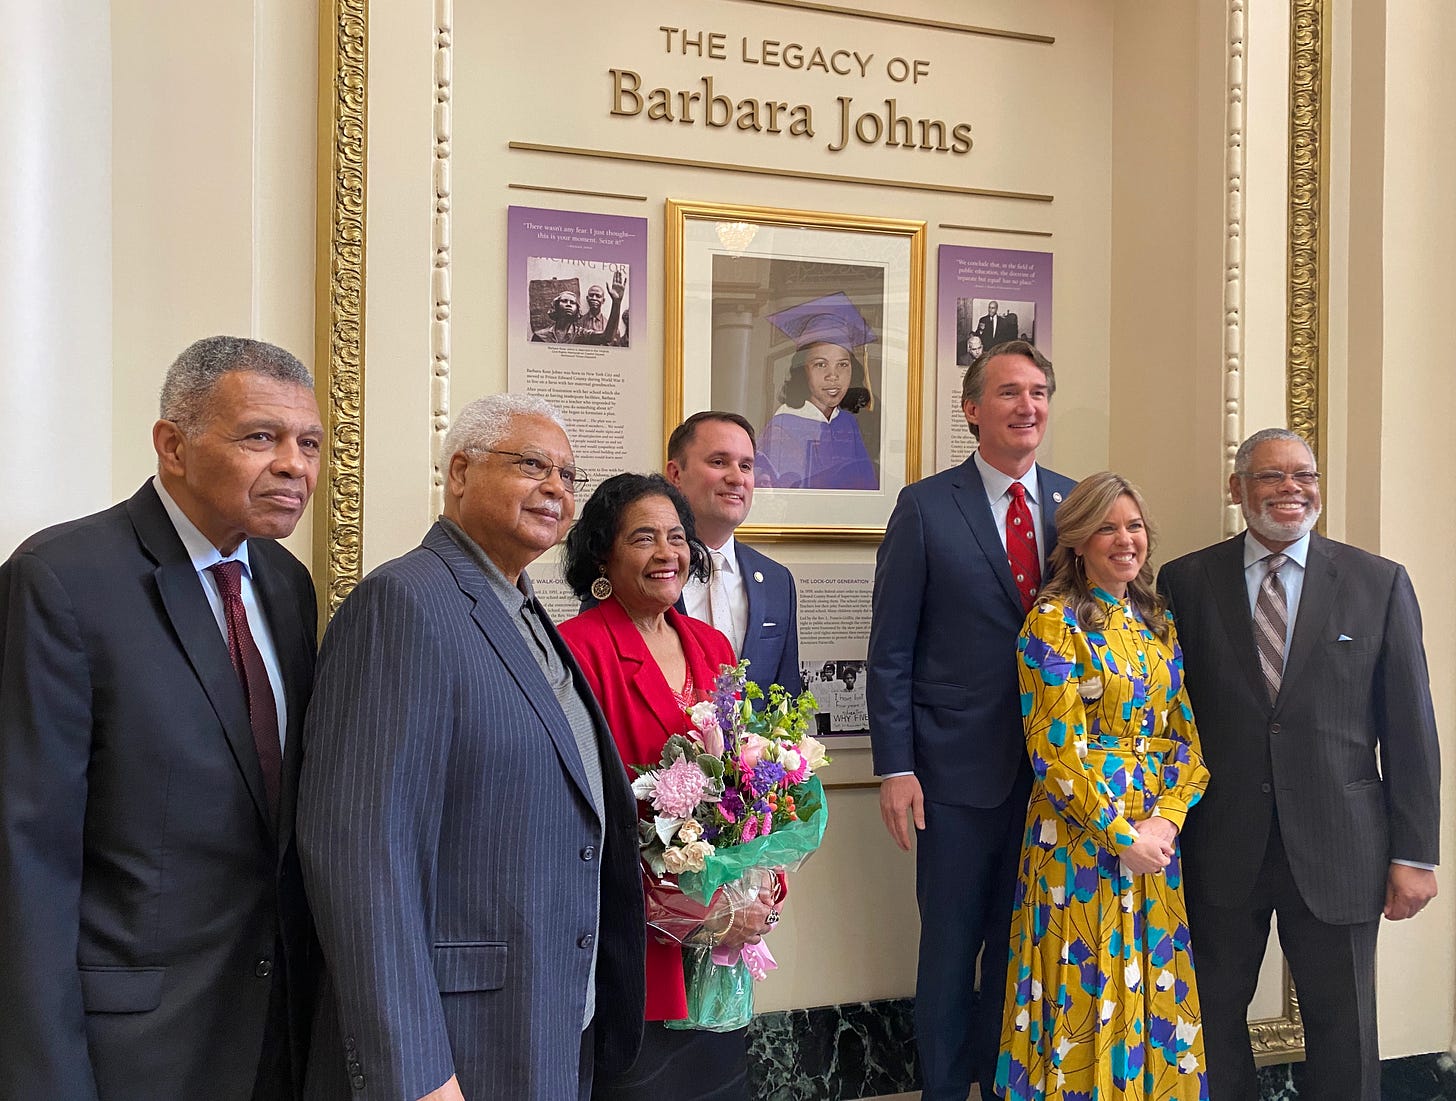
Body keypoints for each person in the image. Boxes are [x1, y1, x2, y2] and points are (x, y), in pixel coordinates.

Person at [296, 394, 645, 1101]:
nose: (557, 487)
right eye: (532, 465)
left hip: (550, 1022)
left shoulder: (524, 609)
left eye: (569, 475)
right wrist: (415, 1071)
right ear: (460, 472)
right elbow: (362, 854)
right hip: (460, 1044)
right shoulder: (404, 603)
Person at [0, 335, 322, 1099]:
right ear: (173, 446)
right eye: (260, 437)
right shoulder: (62, 581)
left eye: (308, 442)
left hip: (278, 1034)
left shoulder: (286, 584)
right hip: (132, 1049)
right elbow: (27, 857)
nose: (294, 465)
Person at [1158, 427, 1441, 1101]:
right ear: (1237, 489)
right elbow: (1166, 717)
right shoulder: (1187, 581)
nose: (1292, 489)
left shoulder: (1378, 582)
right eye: (1271, 476)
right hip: (1219, 841)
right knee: (1209, 1016)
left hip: (1342, 845)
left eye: (1304, 475)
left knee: (1344, 1026)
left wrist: (1416, 854)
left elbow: (1411, 729)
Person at [868, 340, 1076, 1098]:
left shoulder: (1076, 504)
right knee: (953, 951)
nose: (1029, 406)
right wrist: (896, 767)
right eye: (1011, 392)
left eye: (1041, 392)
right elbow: (889, 651)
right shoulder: (926, 506)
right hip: (955, 779)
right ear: (972, 409)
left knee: (1027, 951)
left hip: (1061, 781)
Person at [558, 472, 780, 1101]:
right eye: (643, 538)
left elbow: (752, 781)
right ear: (603, 553)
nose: (667, 554)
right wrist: (692, 913)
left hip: (724, 936)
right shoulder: (577, 649)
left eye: (677, 538)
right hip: (633, 936)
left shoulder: (711, 645)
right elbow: (583, 811)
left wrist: (758, 880)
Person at [996, 472, 1209, 1100]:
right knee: (1082, 991)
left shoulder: (1156, 624)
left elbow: (1187, 746)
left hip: (1152, 847)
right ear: (1079, 539)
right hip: (1080, 845)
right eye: (1108, 527)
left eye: (1135, 526)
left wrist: (1162, 826)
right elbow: (1054, 756)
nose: (1125, 540)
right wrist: (1119, 835)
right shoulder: (1052, 624)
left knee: (1152, 989)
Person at [666, 410, 803, 696]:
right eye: (719, 462)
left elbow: (786, 700)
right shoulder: (637, 570)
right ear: (676, 474)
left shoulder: (778, 581)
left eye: (746, 466)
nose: (736, 478)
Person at [754, 291, 878, 490]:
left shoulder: (847, 423)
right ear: (802, 371)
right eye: (821, 365)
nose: (833, 376)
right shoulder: (783, 426)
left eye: (843, 365)